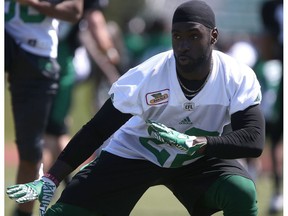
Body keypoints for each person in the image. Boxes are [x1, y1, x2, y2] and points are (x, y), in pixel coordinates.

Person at [6, 1, 265, 216]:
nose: (183, 45)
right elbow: (97, 129)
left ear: (213, 36)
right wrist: (52, 177)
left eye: (193, 35)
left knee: (241, 191)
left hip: (195, 158)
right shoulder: (147, 76)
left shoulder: (235, 76)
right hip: (137, 153)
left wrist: (200, 144)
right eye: (177, 36)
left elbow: (253, 140)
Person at [5, 0, 83, 215]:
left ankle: (23, 212)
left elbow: (75, 11)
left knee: (31, 153)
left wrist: (31, 3)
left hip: (37, 56)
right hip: (7, 35)